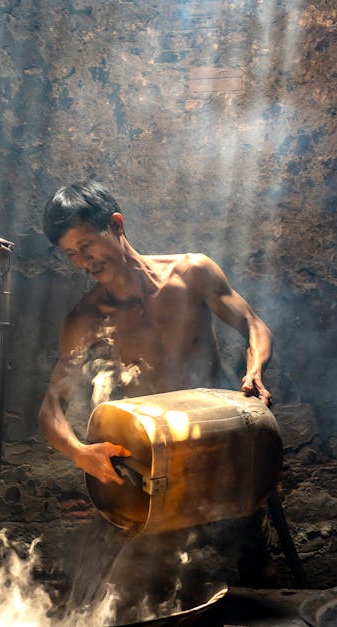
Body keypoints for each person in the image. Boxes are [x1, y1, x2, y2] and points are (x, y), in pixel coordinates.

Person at [37, 180, 274, 485]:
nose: (84, 261)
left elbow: (254, 326)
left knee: (245, 529)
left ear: (116, 224)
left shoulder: (192, 273)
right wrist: (78, 452)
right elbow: (51, 405)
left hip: (222, 442)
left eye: (86, 246)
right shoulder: (86, 319)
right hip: (153, 469)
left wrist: (254, 372)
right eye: (72, 254)